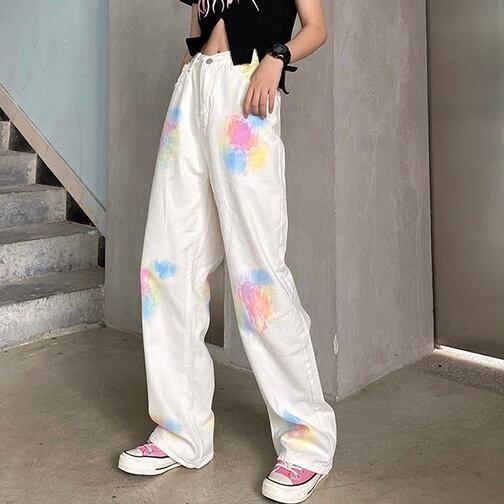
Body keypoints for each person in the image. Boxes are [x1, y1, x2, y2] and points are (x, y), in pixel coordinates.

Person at [118, 1, 336, 502]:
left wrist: (277, 57)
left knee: (257, 276)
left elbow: (317, 28)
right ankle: (181, 431)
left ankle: (307, 444)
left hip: (245, 88)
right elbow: (199, 20)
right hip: (194, 88)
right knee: (166, 267)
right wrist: (190, 69)